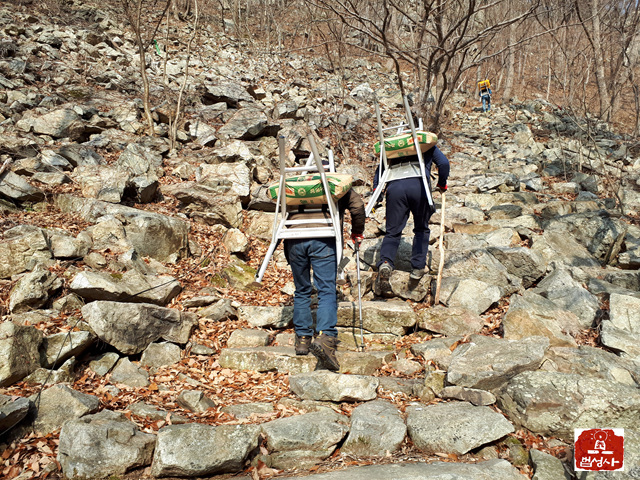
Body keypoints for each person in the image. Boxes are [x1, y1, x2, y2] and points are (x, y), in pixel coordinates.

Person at [284, 175, 366, 372]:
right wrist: (357, 231)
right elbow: (357, 207)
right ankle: (325, 338)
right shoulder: (336, 183)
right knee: (326, 290)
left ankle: (303, 339)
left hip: (293, 238)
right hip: (323, 237)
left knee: (302, 289)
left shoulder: (295, 184)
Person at [373, 144, 449, 282]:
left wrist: (377, 193)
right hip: (419, 186)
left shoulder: (393, 147)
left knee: (392, 231)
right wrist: (442, 183)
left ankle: (386, 262)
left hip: (394, 188)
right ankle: (418, 267)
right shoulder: (425, 144)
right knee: (421, 229)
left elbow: (380, 170)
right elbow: (443, 163)